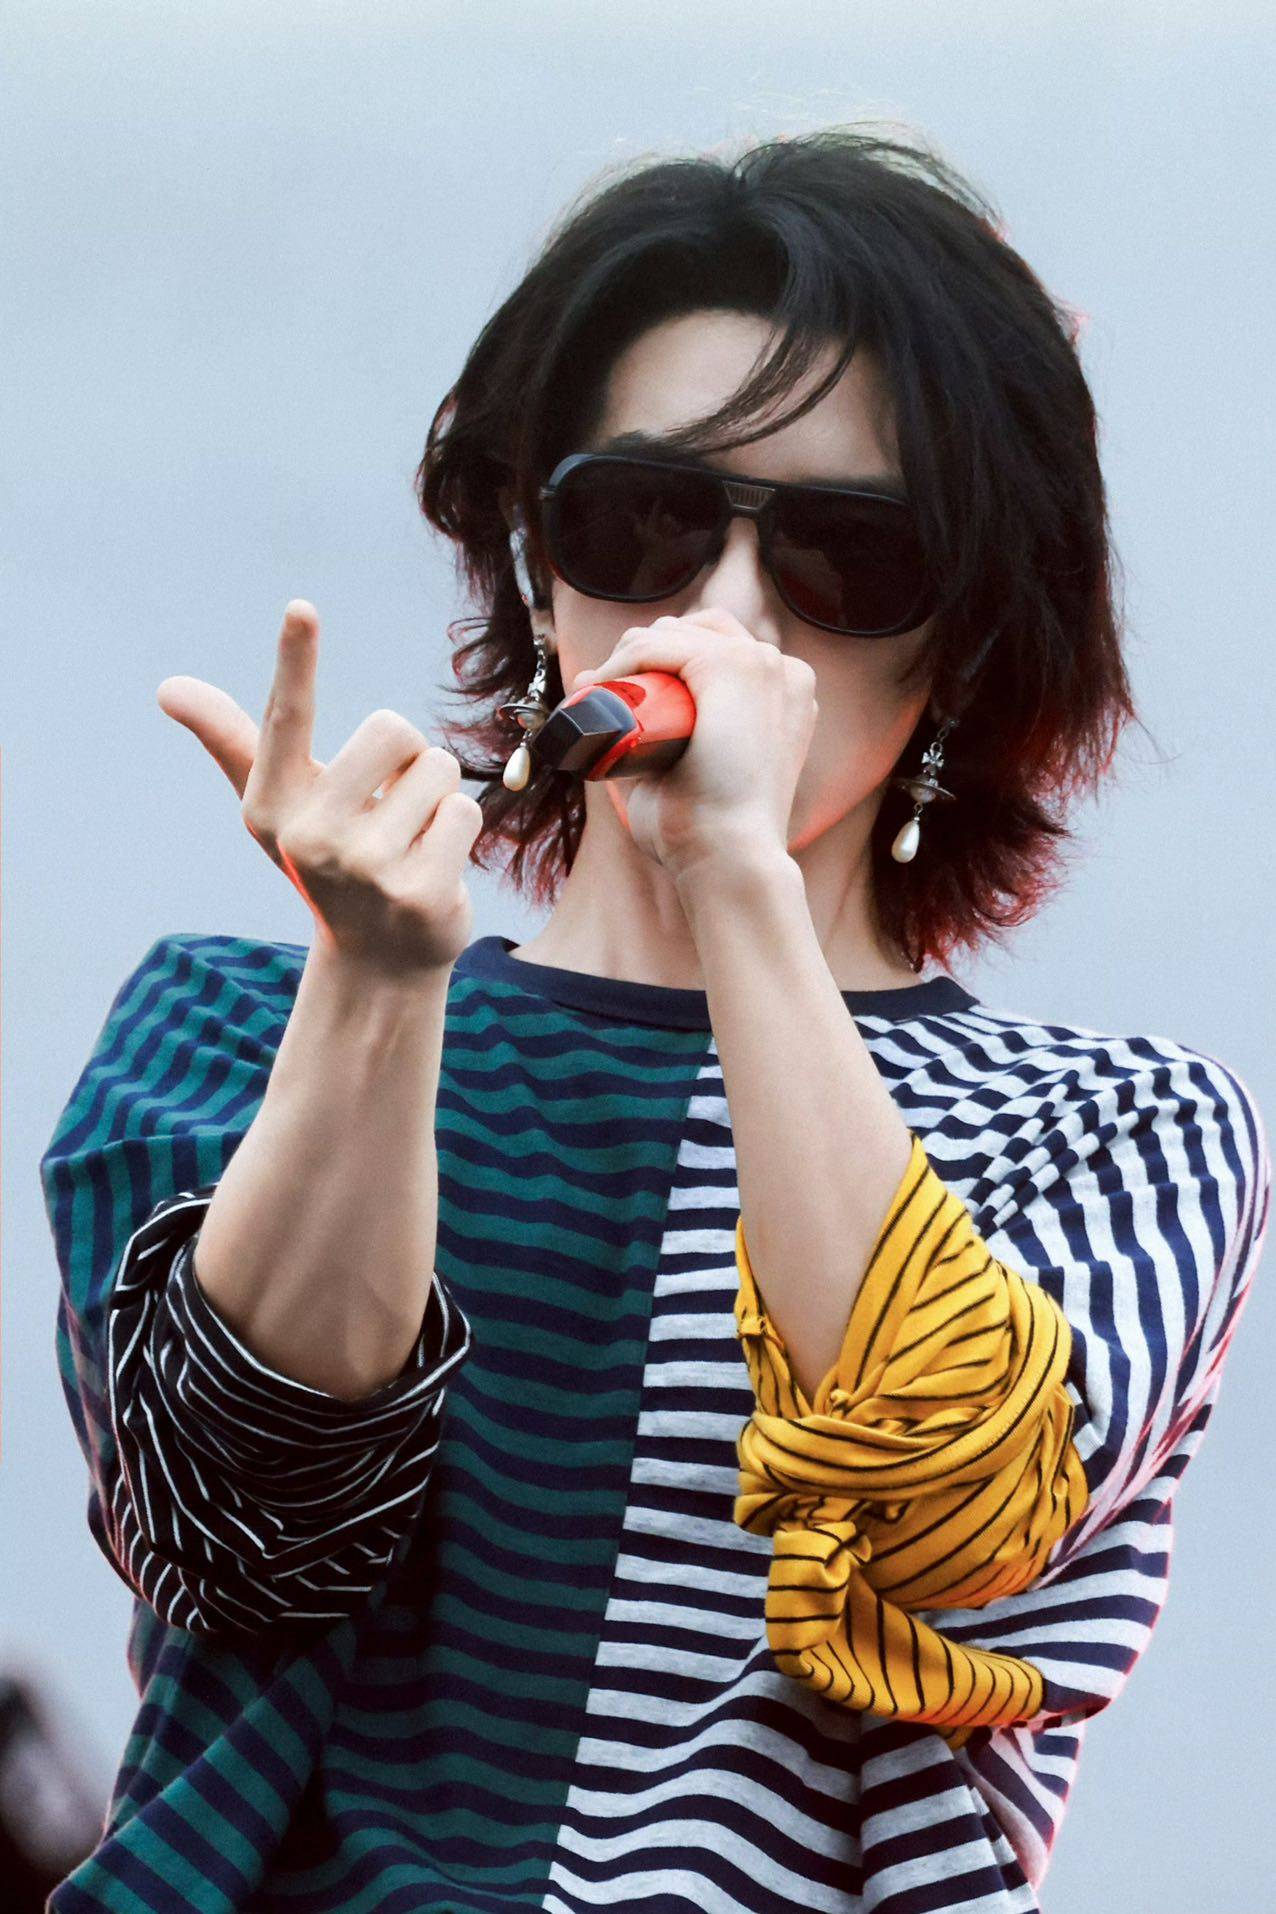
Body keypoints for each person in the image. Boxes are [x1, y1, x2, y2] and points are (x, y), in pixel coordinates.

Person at [41, 125, 1269, 1914]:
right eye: (645, 522)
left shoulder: (1114, 1133)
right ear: (538, 568)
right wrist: (374, 997)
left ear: (963, 645)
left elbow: (944, 1502)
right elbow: (232, 1532)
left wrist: (742, 881)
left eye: (851, 556)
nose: (724, 610)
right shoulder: (233, 1029)